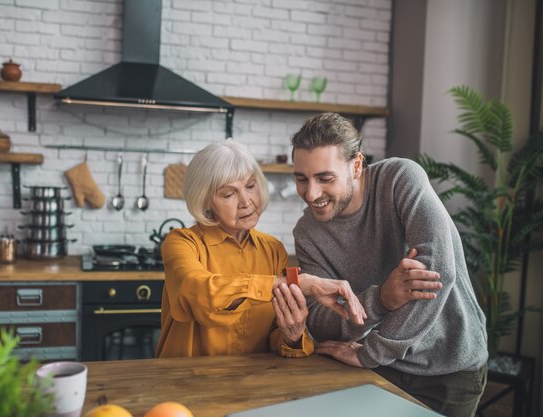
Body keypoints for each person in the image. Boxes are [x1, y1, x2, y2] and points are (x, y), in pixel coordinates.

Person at [289, 113, 488, 417]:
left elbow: (438, 273)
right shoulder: (307, 232)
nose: (311, 194)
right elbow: (320, 319)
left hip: (449, 366)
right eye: (301, 179)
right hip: (380, 368)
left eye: (325, 178)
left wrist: (374, 351)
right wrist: (381, 298)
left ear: (356, 166)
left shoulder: (399, 179)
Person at [155, 140, 367, 358]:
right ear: (205, 202)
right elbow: (199, 294)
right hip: (188, 382)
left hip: (254, 383)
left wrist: (291, 336)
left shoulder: (273, 250)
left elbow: (276, 337)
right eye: (229, 194)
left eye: (250, 186)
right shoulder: (181, 242)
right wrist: (292, 283)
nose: (246, 202)